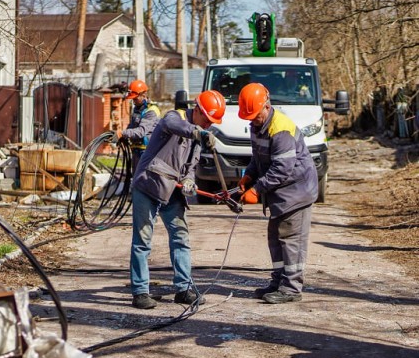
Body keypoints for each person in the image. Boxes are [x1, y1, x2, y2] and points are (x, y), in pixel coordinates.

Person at [128, 90, 226, 309]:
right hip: (148, 185)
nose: (209, 125)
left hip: (173, 190)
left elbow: (191, 166)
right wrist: (197, 132)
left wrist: (190, 181)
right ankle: (140, 292)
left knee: (181, 238)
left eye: (212, 123)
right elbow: (177, 126)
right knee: (142, 242)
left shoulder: (199, 137)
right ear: (198, 110)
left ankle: (183, 289)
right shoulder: (174, 117)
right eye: (207, 120)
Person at [237, 82, 318, 304]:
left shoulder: (280, 128)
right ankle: (278, 282)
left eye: (255, 115)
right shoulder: (257, 125)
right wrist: (249, 175)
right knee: (275, 237)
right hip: (282, 191)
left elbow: (282, 168)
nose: (253, 119)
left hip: (297, 191)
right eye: (249, 116)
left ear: (266, 105)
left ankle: (291, 288)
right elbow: (258, 157)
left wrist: (257, 189)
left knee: (291, 239)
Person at [116, 79, 161, 171]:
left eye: (135, 98)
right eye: (132, 99)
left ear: (143, 95)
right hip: (137, 150)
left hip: (147, 152)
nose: (134, 101)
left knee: (143, 180)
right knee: (135, 179)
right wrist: (123, 137)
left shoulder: (151, 111)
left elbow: (141, 131)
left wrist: (123, 133)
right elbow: (132, 126)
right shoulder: (137, 109)